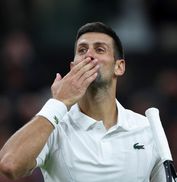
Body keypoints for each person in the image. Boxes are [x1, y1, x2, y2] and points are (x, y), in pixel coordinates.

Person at [0, 22, 167, 182]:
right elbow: (9, 165)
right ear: (73, 67)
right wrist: (58, 102)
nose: (89, 55)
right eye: (82, 50)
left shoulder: (146, 128)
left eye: (100, 49)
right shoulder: (53, 127)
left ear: (119, 67)